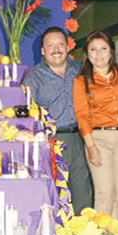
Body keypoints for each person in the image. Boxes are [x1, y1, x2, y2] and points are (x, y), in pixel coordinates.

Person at [72, 30, 118, 235]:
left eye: (103, 49)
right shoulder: (81, 81)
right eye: (93, 50)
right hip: (98, 138)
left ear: (111, 51)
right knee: (104, 196)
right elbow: (82, 115)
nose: (98, 54)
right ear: (86, 55)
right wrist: (91, 146)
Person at [23, 27, 94, 214]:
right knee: (53, 193)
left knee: (83, 192)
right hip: (51, 142)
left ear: (68, 47)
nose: (56, 49)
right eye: (50, 45)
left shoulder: (81, 69)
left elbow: (106, 75)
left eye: (60, 44)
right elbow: (26, 112)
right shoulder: (33, 77)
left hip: (81, 138)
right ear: (42, 51)